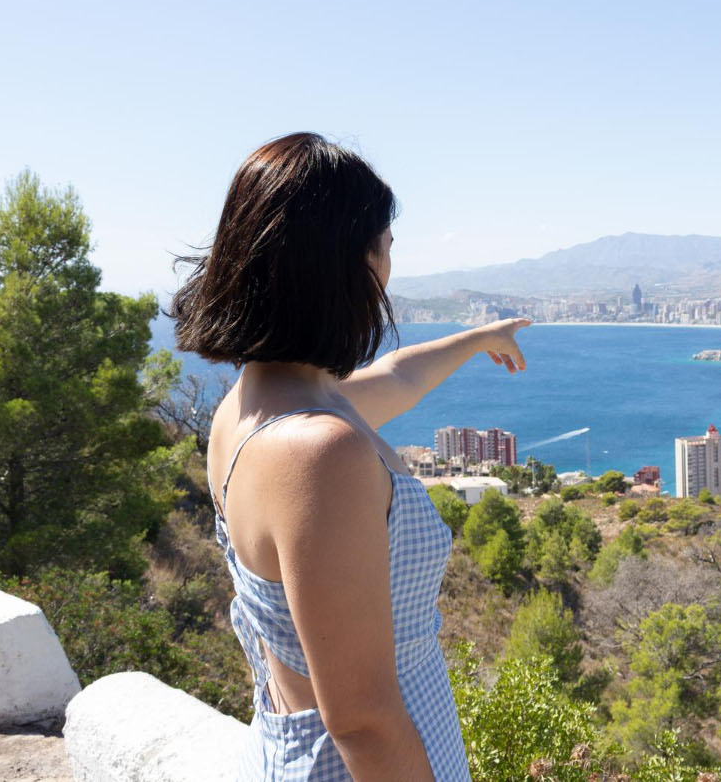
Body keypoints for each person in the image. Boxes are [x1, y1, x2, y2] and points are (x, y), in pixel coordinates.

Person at [170, 132, 529, 780]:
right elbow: (361, 720)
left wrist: (480, 337)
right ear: (345, 266)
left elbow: (397, 377)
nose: (390, 268)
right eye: (385, 248)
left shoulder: (252, 411)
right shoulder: (318, 455)